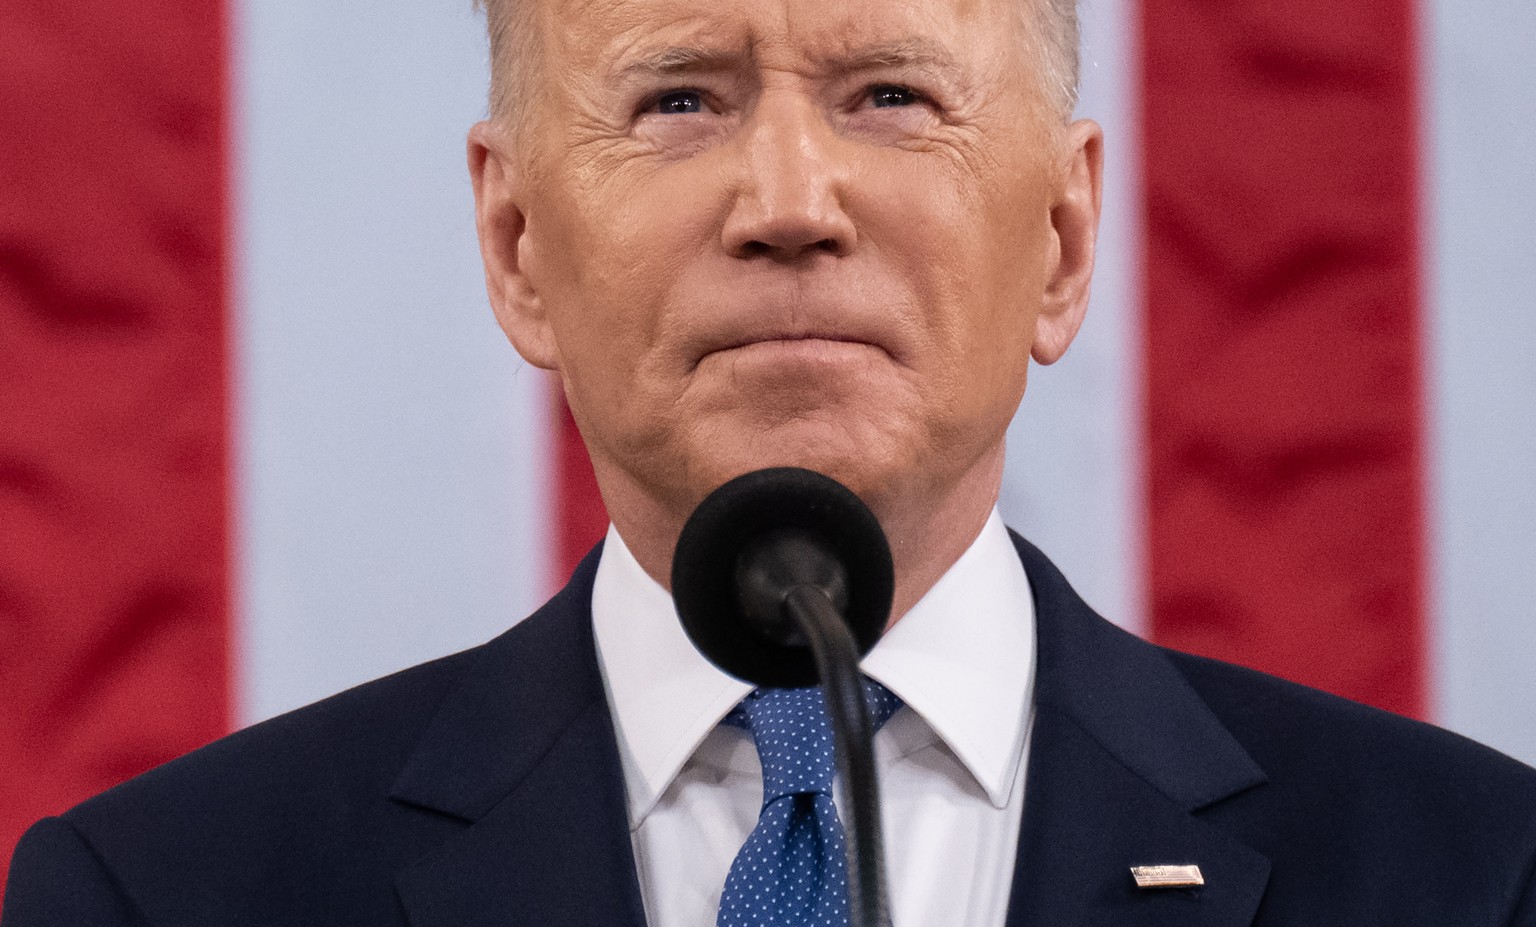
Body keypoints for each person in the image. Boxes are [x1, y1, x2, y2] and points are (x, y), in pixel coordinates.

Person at [5, 0, 1535, 923]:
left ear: (1062, 241)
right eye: (680, 98)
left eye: (890, 95)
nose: (791, 201)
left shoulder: (1470, 878)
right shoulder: (167, 897)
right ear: (517, 243)